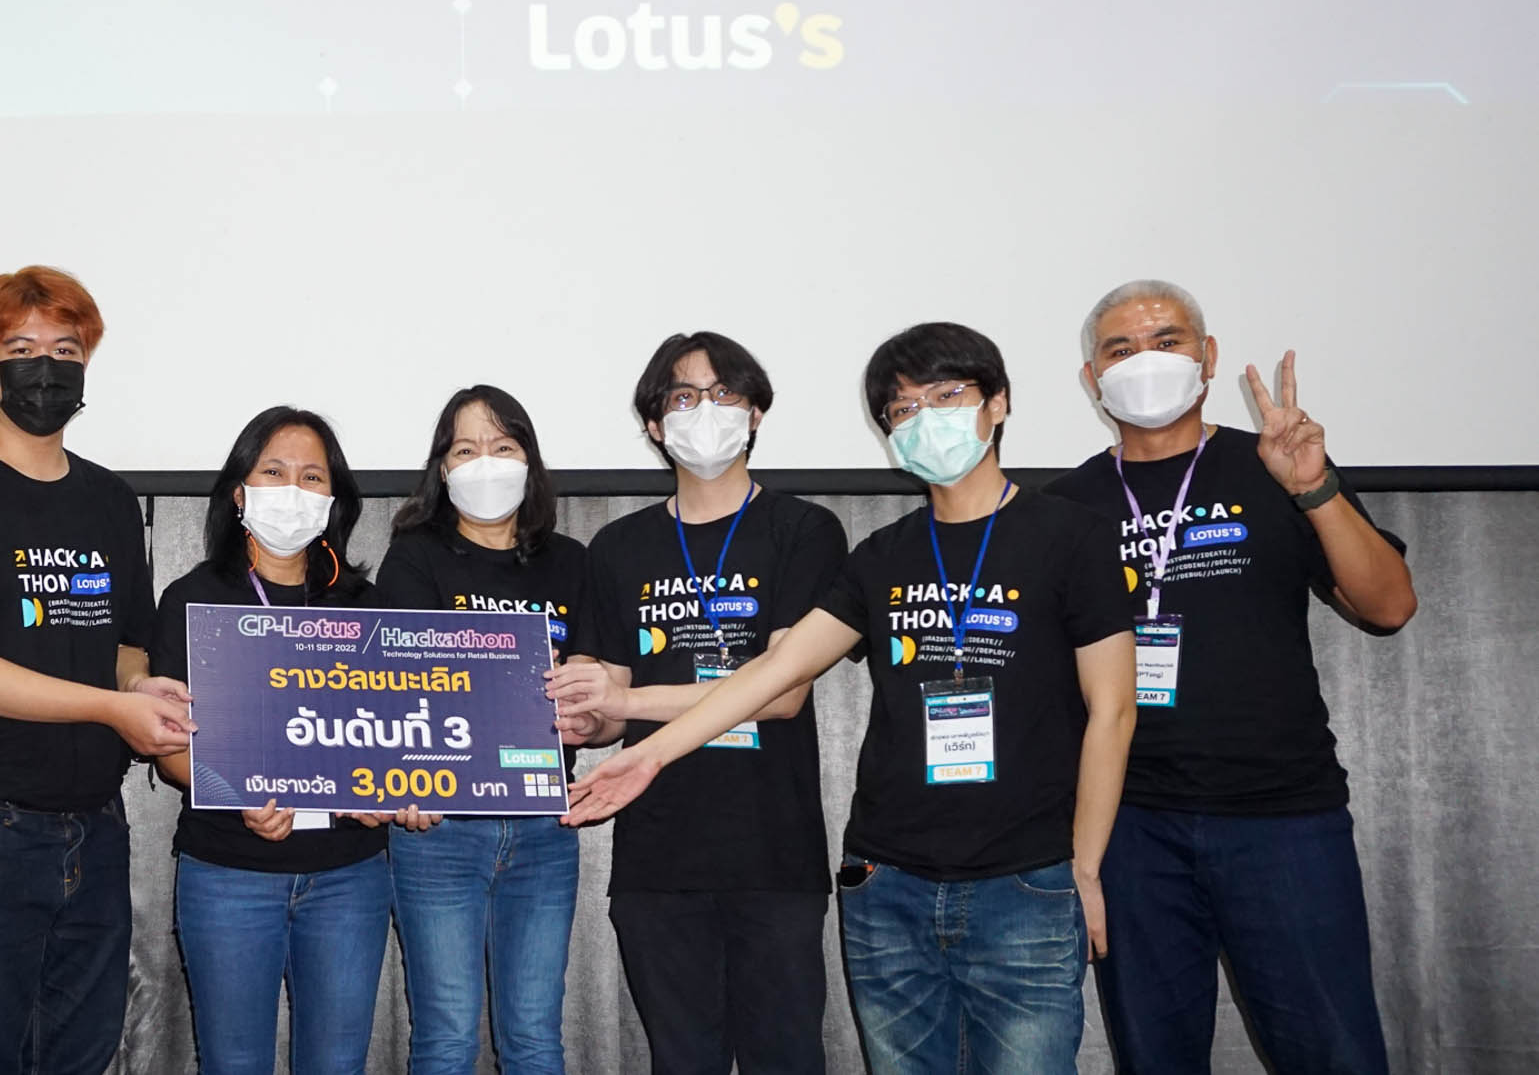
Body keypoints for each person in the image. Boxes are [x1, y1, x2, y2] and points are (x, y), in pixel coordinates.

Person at [562, 322, 1138, 1075]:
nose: (925, 418)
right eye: (903, 409)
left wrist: (1085, 869)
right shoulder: (882, 555)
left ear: (996, 403)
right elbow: (774, 672)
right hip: (886, 879)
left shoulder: (1071, 535)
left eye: (946, 396)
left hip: (1025, 875)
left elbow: (1113, 711)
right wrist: (648, 755)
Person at [1045, 280, 1415, 1075]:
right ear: (1091, 378)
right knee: (1154, 1057)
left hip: (1281, 817)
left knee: (1334, 1054)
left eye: (1167, 340)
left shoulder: (1271, 467)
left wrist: (1312, 488)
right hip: (1130, 829)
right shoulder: (1063, 507)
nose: (1144, 359)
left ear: (1206, 356)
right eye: (1119, 349)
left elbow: (1387, 607)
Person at [0, 267, 191, 1075]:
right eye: (20, 349)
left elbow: (124, 645)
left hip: (94, 824)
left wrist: (135, 689)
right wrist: (108, 707)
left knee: (81, 1055)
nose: (45, 367)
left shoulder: (110, 500)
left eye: (65, 348)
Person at [545, 331, 845, 1075]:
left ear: (755, 414)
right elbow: (612, 713)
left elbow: (782, 691)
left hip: (773, 854)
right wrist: (583, 714)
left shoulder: (804, 529)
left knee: (787, 1059)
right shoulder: (618, 547)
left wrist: (625, 697)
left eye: (724, 394)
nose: (704, 410)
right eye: (682, 397)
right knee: (681, 1061)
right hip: (658, 856)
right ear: (654, 424)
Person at [149, 406, 429, 1074]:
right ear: (238, 492)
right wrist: (237, 792)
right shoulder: (192, 599)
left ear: (334, 500)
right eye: (273, 472)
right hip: (229, 872)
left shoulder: (368, 606)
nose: (293, 490)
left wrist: (396, 789)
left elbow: (395, 736)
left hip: (348, 874)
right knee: (232, 1062)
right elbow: (167, 747)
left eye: (311, 476)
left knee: (337, 1064)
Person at [376, 385, 590, 1075]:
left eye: (502, 446)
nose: (486, 462)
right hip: (440, 825)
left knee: (535, 1038)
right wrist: (403, 781)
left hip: (544, 825)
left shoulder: (572, 562)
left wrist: (588, 712)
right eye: (465, 450)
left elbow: (596, 694)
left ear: (529, 459)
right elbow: (397, 688)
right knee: (445, 1038)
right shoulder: (414, 558)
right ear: (442, 469)